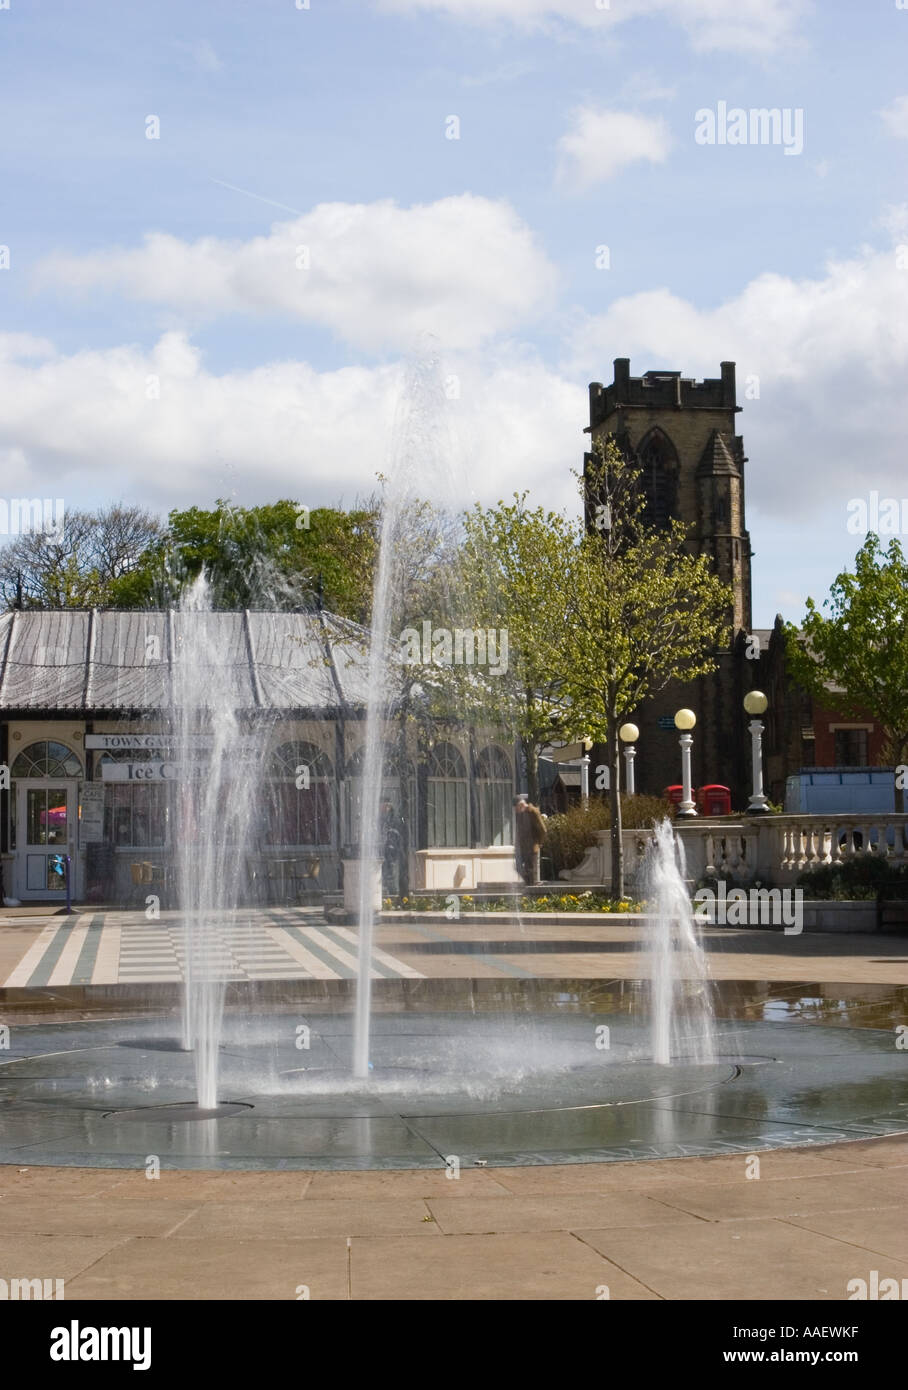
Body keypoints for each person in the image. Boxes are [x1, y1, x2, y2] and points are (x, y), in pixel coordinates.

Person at [513, 794, 547, 885]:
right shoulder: (521, 814)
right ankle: (528, 884)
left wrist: (539, 843)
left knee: (530, 870)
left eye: (516, 808)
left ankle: (531, 888)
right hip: (523, 847)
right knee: (517, 867)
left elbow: (543, 829)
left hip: (532, 846)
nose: (516, 811)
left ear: (521, 805)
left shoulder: (533, 812)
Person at [379, 798, 405, 895]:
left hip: (392, 850)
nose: (383, 808)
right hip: (384, 850)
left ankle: (393, 891)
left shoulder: (394, 819)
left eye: (385, 806)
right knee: (385, 871)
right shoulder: (381, 818)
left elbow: (398, 833)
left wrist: (393, 844)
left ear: (389, 807)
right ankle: (386, 890)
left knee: (391, 871)